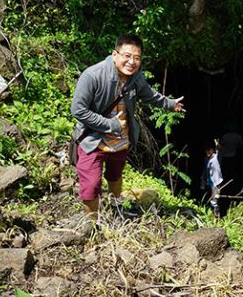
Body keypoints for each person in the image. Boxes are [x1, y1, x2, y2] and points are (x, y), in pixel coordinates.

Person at [71, 34, 185, 219]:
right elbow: (78, 110)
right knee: (91, 186)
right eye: (127, 56)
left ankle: (117, 204)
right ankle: (92, 223)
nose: (131, 62)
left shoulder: (135, 78)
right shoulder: (92, 75)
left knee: (115, 175)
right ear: (115, 54)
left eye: (137, 58)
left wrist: (170, 104)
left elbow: (149, 95)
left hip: (120, 141)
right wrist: (110, 124)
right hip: (93, 140)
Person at [200, 141, 223, 216]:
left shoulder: (217, 157)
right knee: (208, 198)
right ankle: (209, 213)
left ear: (212, 150)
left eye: (209, 150)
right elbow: (204, 170)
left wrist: (217, 143)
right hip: (208, 181)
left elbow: (219, 150)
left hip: (216, 182)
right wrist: (203, 181)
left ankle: (217, 215)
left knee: (214, 199)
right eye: (206, 150)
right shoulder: (206, 159)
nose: (207, 152)